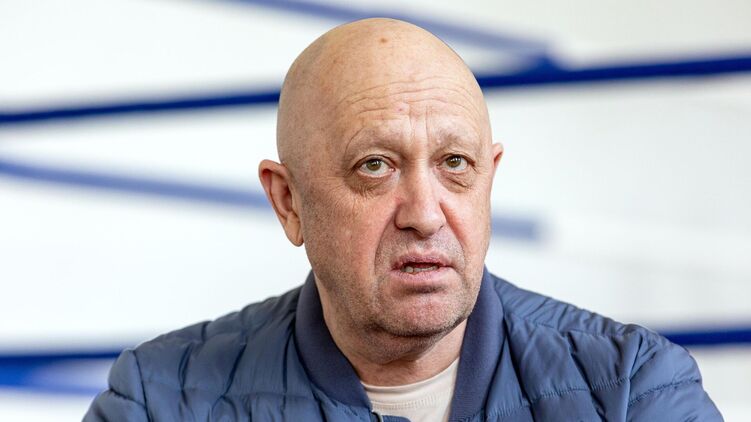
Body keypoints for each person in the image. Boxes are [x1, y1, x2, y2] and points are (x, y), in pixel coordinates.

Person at [85, 18, 722, 421]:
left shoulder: (633, 390)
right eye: (375, 166)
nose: (424, 214)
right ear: (289, 202)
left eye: (455, 163)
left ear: (489, 178)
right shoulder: (160, 400)